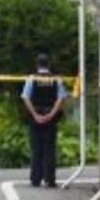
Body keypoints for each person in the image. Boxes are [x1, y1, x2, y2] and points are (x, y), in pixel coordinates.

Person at [21, 53, 67, 187]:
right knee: (50, 149)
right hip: (50, 118)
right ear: (49, 65)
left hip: (35, 117)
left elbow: (25, 97)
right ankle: (50, 179)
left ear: (37, 65)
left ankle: (35, 179)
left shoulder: (31, 79)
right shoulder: (56, 80)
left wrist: (35, 114)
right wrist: (51, 114)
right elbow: (61, 98)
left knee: (36, 148)